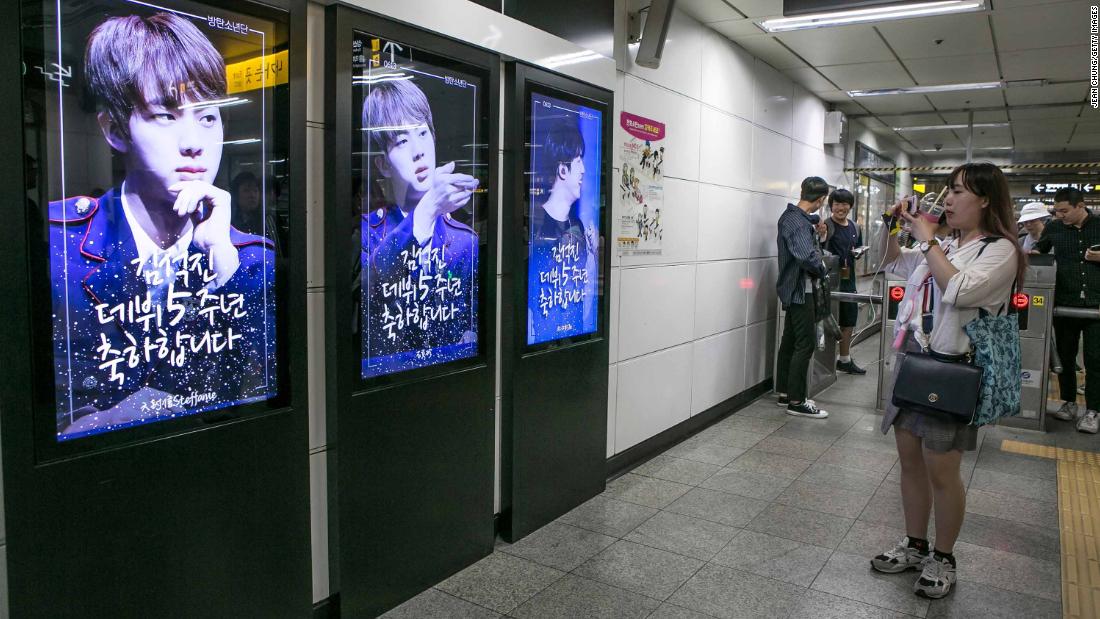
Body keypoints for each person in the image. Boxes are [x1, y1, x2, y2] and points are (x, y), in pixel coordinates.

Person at [50, 13, 276, 437]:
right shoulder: (57, 247)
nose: (194, 141)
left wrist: (222, 272)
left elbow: (261, 401)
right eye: (167, 116)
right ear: (115, 130)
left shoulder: (250, 261)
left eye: (208, 117)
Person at [871, 162, 1023, 599]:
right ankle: (915, 544)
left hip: (953, 370)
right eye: (948, 191)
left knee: (943, 469)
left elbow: (960, 291)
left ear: (986, 199)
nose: (949, 200)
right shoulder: (950, 244)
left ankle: (943, 555)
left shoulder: (1000, 250)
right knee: (910, 460)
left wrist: (929, 238)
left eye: (958, 191)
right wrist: (890, 227)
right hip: (917, 361)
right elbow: (890, 264)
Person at [360, 79, 480, 376]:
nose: (418, 151)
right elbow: (366, 299)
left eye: (423, 133)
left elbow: (471, 327)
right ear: (382, 165)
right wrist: (424, 212)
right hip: (385, 383)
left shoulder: (465, 241)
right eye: (401, 141)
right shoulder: (367, 233)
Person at [527, 115, 598, 344]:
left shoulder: (577, 225)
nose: (584, 170)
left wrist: (594, 254)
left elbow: (587, 293)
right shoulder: (536, 227)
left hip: (574, 339)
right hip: (543, 344)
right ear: (563, 171)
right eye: (578, 161)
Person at [1035, 187, 1100, 432]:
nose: (1060, 215)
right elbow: (1039, 251)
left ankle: (1093, 410)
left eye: (1065, 211)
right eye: (1057, 210)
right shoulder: (1054, 228)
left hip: (1096, 305)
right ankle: (1069, 402)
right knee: (1065, 356)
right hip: (1065, 303)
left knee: (1095, 359)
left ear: (1081, 206)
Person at [774, 176, 830, 419]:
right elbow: (807, 257)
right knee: (804, 343)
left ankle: (786, 391)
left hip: (792, 288)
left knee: (790, 341)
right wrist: (823, 268)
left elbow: (809, 228)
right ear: (820, 200)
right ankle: (796, 401)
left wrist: (820, 231)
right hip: (800, 290)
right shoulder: (797, 223)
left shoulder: (794, 217)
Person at [822, 188, 866, 374]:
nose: (841, 208)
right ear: (831, 206)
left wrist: (858, 252)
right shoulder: (826, 225)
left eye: (844, 204)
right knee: (827, 320)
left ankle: (845, 359)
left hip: (849, 280)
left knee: (848, 319)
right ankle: (823, 362)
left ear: (850, 206)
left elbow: (857, 247)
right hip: (828, 281)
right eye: (837, 204)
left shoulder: (855, 227)